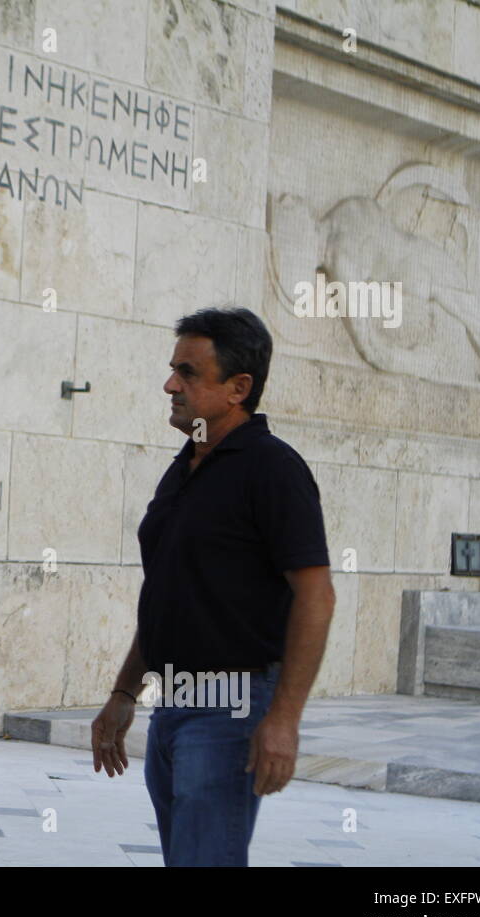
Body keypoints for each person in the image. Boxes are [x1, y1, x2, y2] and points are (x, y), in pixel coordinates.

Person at [90, 307, 335, 866]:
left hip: (232, 709)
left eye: (188, 373)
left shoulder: (273, 469)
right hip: (172, 704)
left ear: (238, 388)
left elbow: (317, 598)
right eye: (173, 369)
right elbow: (168, 594)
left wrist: (283, 720)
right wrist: (125, 693)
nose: (169, 384)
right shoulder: (183, 469)